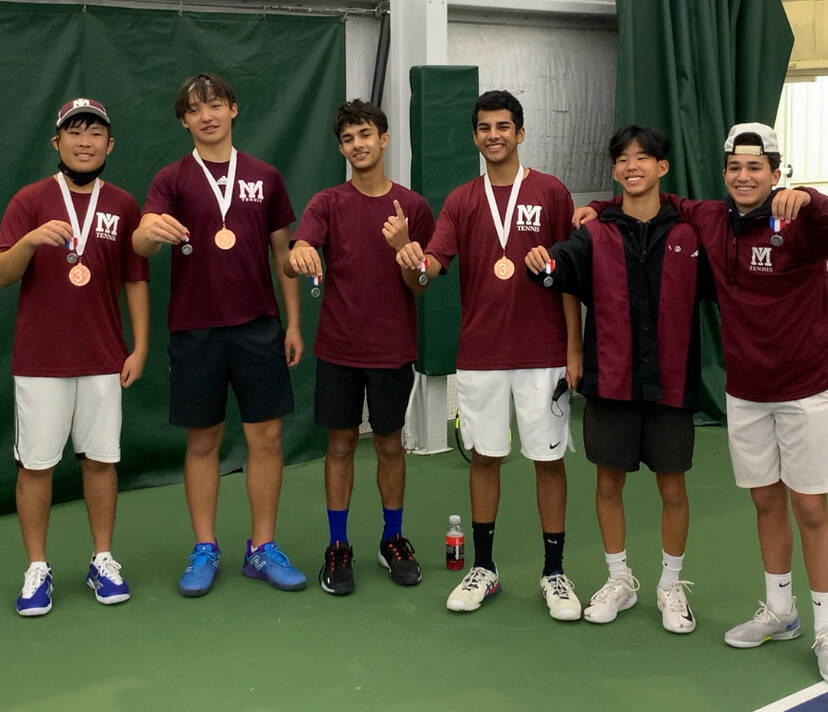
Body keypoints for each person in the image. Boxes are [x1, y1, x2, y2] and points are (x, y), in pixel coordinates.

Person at [578, 122, 828, 679]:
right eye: (735, 167)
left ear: (775, 172)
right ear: (724, 173)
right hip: (744, 392)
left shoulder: (800, 221)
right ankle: (781, 612)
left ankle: (826, 628)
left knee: (811, 508)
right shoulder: (710, 219)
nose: (744, 176)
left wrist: (809, 198)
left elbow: (826, 221)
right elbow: (647, 196)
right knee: (766, 501)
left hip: (806, 389)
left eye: (756, 167)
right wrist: (596, 208)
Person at [396, 90, 583, 619]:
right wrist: (408, 257)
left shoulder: (551, 193)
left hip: (544, 354)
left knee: (548, 460)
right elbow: (426, 277)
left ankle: (555, 573)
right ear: (475, 136)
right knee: (485, 457)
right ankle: (484, 569)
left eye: (504, 126)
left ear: (520, 133)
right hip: (480, 355)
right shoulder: (460, 201)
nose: (494, 135)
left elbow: (569, 277)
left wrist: (574, 346)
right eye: (484, 127)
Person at [526, 125, 714, 633]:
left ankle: (671, 585)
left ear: (661, 168)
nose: (633, 166)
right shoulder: (594, 231)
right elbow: (561, 266)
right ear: (614, 171)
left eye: (643, 158)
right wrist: (542, 262)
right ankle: (619, 579)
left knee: (672, 487)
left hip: (671, 384)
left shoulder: (690, 234)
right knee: (608, 483)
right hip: (610, 381)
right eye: (623, 160)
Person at [132, 72, 306, 597]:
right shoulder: (171, 179)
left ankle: (263, 548)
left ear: (233, 109)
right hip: (195, 330)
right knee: (203, 440)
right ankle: (205, 547)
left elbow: (284, 254)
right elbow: (141, 243)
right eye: (194, 108)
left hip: (258, 326)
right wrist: (148, 235)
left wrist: (293, 322)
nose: (206, 114)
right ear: (184, 120)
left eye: (215, 103)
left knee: (267, 437)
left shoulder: (266, 176)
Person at [0, 98, 150, 616]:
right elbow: (2, 273)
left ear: (109, 145)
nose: (84, 141)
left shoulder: (125, 204)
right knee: (36, 466)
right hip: (40, 360)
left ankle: (102, 559)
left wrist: (141, 345)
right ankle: (37, 567)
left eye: (95, 133)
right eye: (74, 132)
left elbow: (135, 279)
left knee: (102, 460)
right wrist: (29, 242)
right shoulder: (29, 199)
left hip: (105, 356)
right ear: (56, 142)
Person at [286, 99, 434, 595]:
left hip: (393, 350)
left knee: (390, 444)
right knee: (341, 445)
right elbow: (293, 258)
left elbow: (421, 285)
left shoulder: (412, 208)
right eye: (348, 138)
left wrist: (404, 250)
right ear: (342, 148)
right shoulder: (326, 203)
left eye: (366, 134)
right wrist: (301, 251)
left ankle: (392, 539)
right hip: (338, 350)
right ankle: (338, 546)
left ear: (384, 138)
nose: (358, 145)